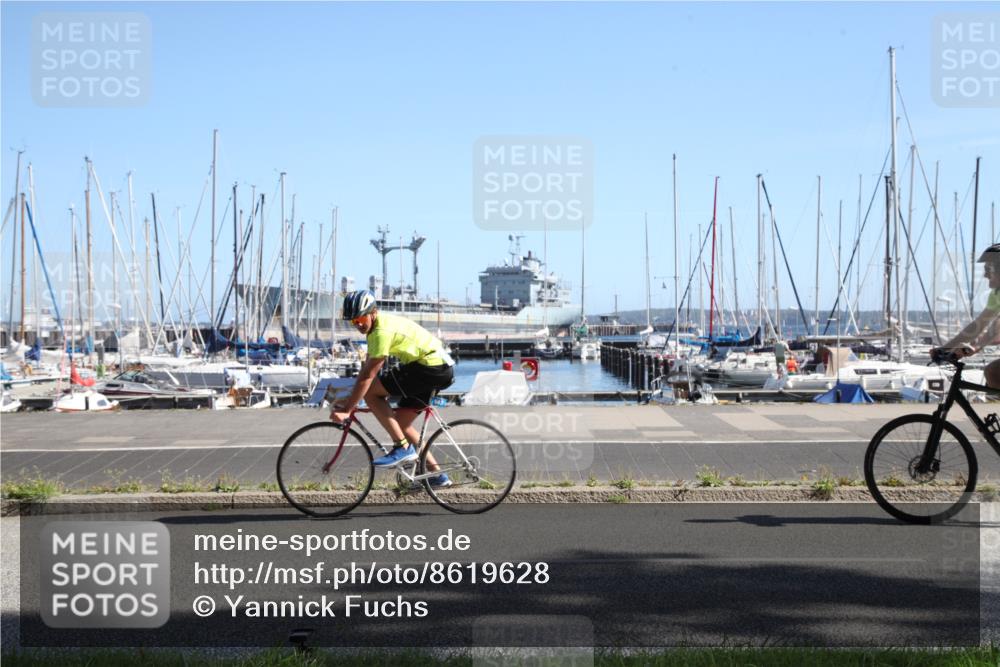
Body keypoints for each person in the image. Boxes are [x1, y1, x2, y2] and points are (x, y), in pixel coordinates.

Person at [329, 290, 456, 486]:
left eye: (360, 318)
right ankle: (437, 475)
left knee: (372, 394)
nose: (358, 324)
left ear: (373, 312)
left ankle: (402, 448)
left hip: (429, 367)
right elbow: (366, 370)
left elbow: (369, 376)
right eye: (353, 321)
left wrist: (347, 409)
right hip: (436, 367)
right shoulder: (375, 328)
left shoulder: (381, 332)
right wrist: (350, 399)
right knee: (401, 424)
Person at [932, 243, 1000, 388]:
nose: (985, 275)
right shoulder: (996, 294)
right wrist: (945, 348)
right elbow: (978, 325)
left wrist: (976, 346)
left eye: (988, 269)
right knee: (992, 374)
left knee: (993, 371)